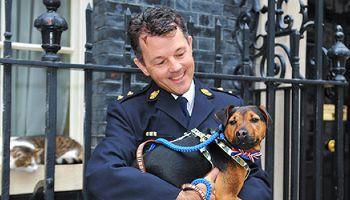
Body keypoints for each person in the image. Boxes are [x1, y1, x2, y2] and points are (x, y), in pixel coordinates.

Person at [86, 7, 271, 200]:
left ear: (190, 45)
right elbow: (102, 174)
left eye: (180, 53)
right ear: (142, 66)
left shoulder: (230, 105)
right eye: (160, 62)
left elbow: (254, 175)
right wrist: (178, 197)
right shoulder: (129, 111)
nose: (175, 68)